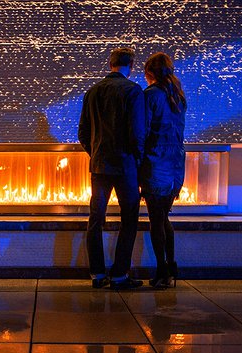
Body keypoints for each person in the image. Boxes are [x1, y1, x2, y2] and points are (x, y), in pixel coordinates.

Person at [78, 47, 146, 290]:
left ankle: (97, 273)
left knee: (96, 218)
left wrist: (95, 153)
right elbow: (138, 133)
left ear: (110, 64)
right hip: (125, 165)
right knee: (129, 218)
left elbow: (83, 133)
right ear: (131, 66)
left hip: (99, 165)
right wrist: (137, 160)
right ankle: (119, 274)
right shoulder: (133, 91)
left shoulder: (92, 92)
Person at [140, 52, 187, 288]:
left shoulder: (150, 95)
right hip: (176, 165)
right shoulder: (178, 96)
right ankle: (171, 267)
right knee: (164, 217)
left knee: (156, 220)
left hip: (156, 164)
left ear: (150, 73)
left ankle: (162, 271)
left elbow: (143, 131)